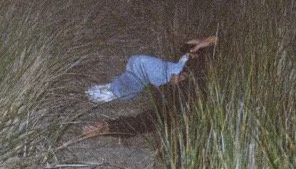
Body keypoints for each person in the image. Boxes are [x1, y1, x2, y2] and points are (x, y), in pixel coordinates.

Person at [82, 36, 216, 138]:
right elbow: (189, 46)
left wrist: (108, 128)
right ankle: (114, 90)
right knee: (138, 62)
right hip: (179, 68)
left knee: (158, 116)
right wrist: (204, 43)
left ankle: (111, 114)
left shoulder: (188, 97)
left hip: (184, 78)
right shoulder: (221, 48)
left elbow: (147, 121)